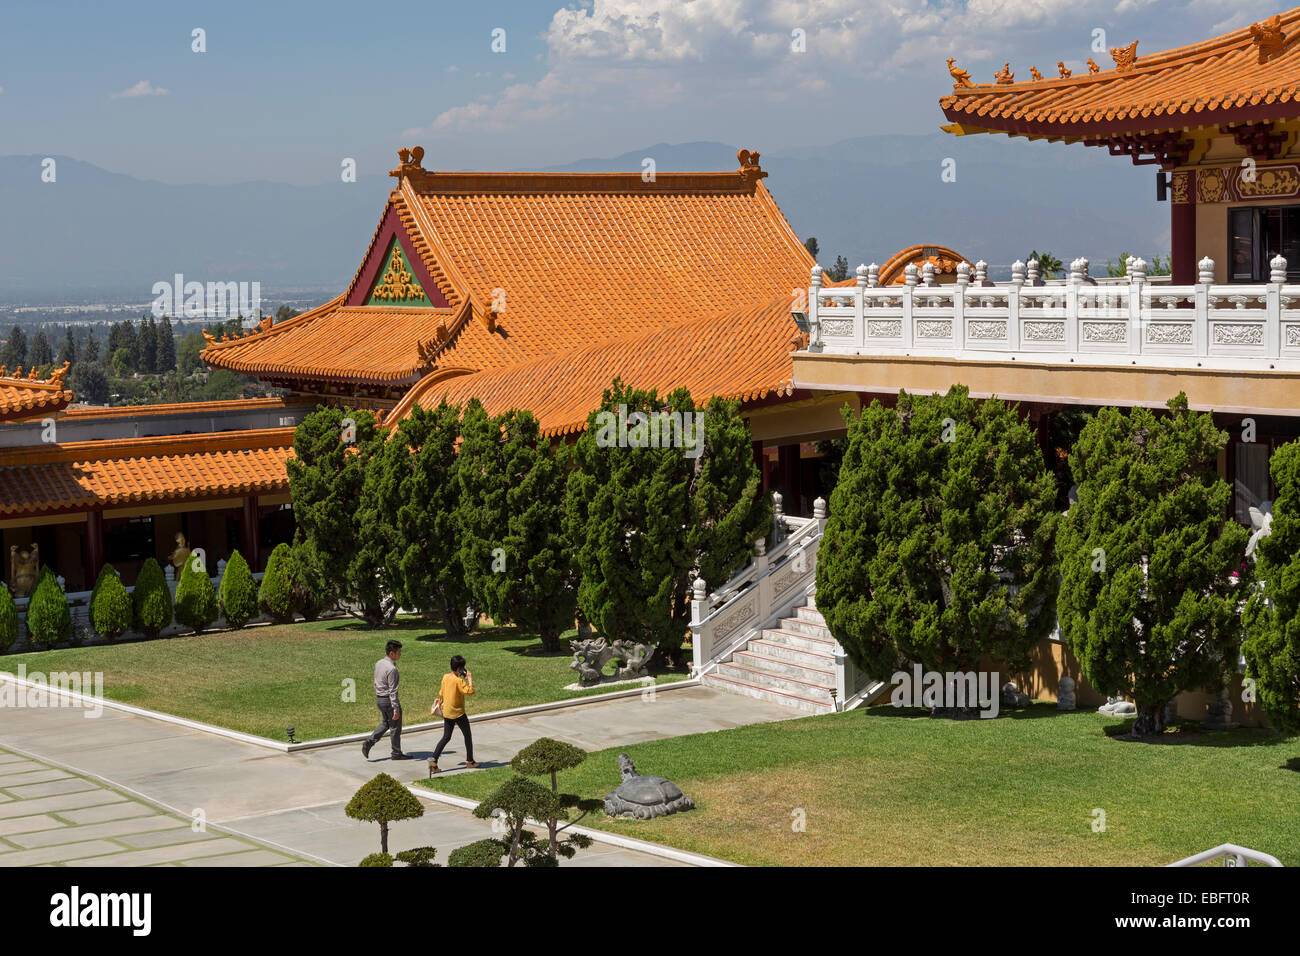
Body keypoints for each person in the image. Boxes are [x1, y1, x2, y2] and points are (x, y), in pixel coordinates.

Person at [429, 654, 477, 772]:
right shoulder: (459, 680)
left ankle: (433, 762)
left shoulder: (445, 677)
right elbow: (469, 692)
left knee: (446, 737)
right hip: (458, 713)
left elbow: (441, 692)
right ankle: (469, 761)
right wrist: (469, 678)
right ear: (460, 669)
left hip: (447, 712)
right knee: (467, 736)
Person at [362, 640, 409, 760]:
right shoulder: (392, 669)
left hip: (380, 699)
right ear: (392, 653)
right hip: (388, 701)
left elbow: (376, 681)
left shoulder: (379, 663)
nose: (400, 654)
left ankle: (369, 742)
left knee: (386, 723)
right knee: (395, 727)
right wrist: (396, 708)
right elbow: (393, 691)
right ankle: (396, 753)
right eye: (399, 652)